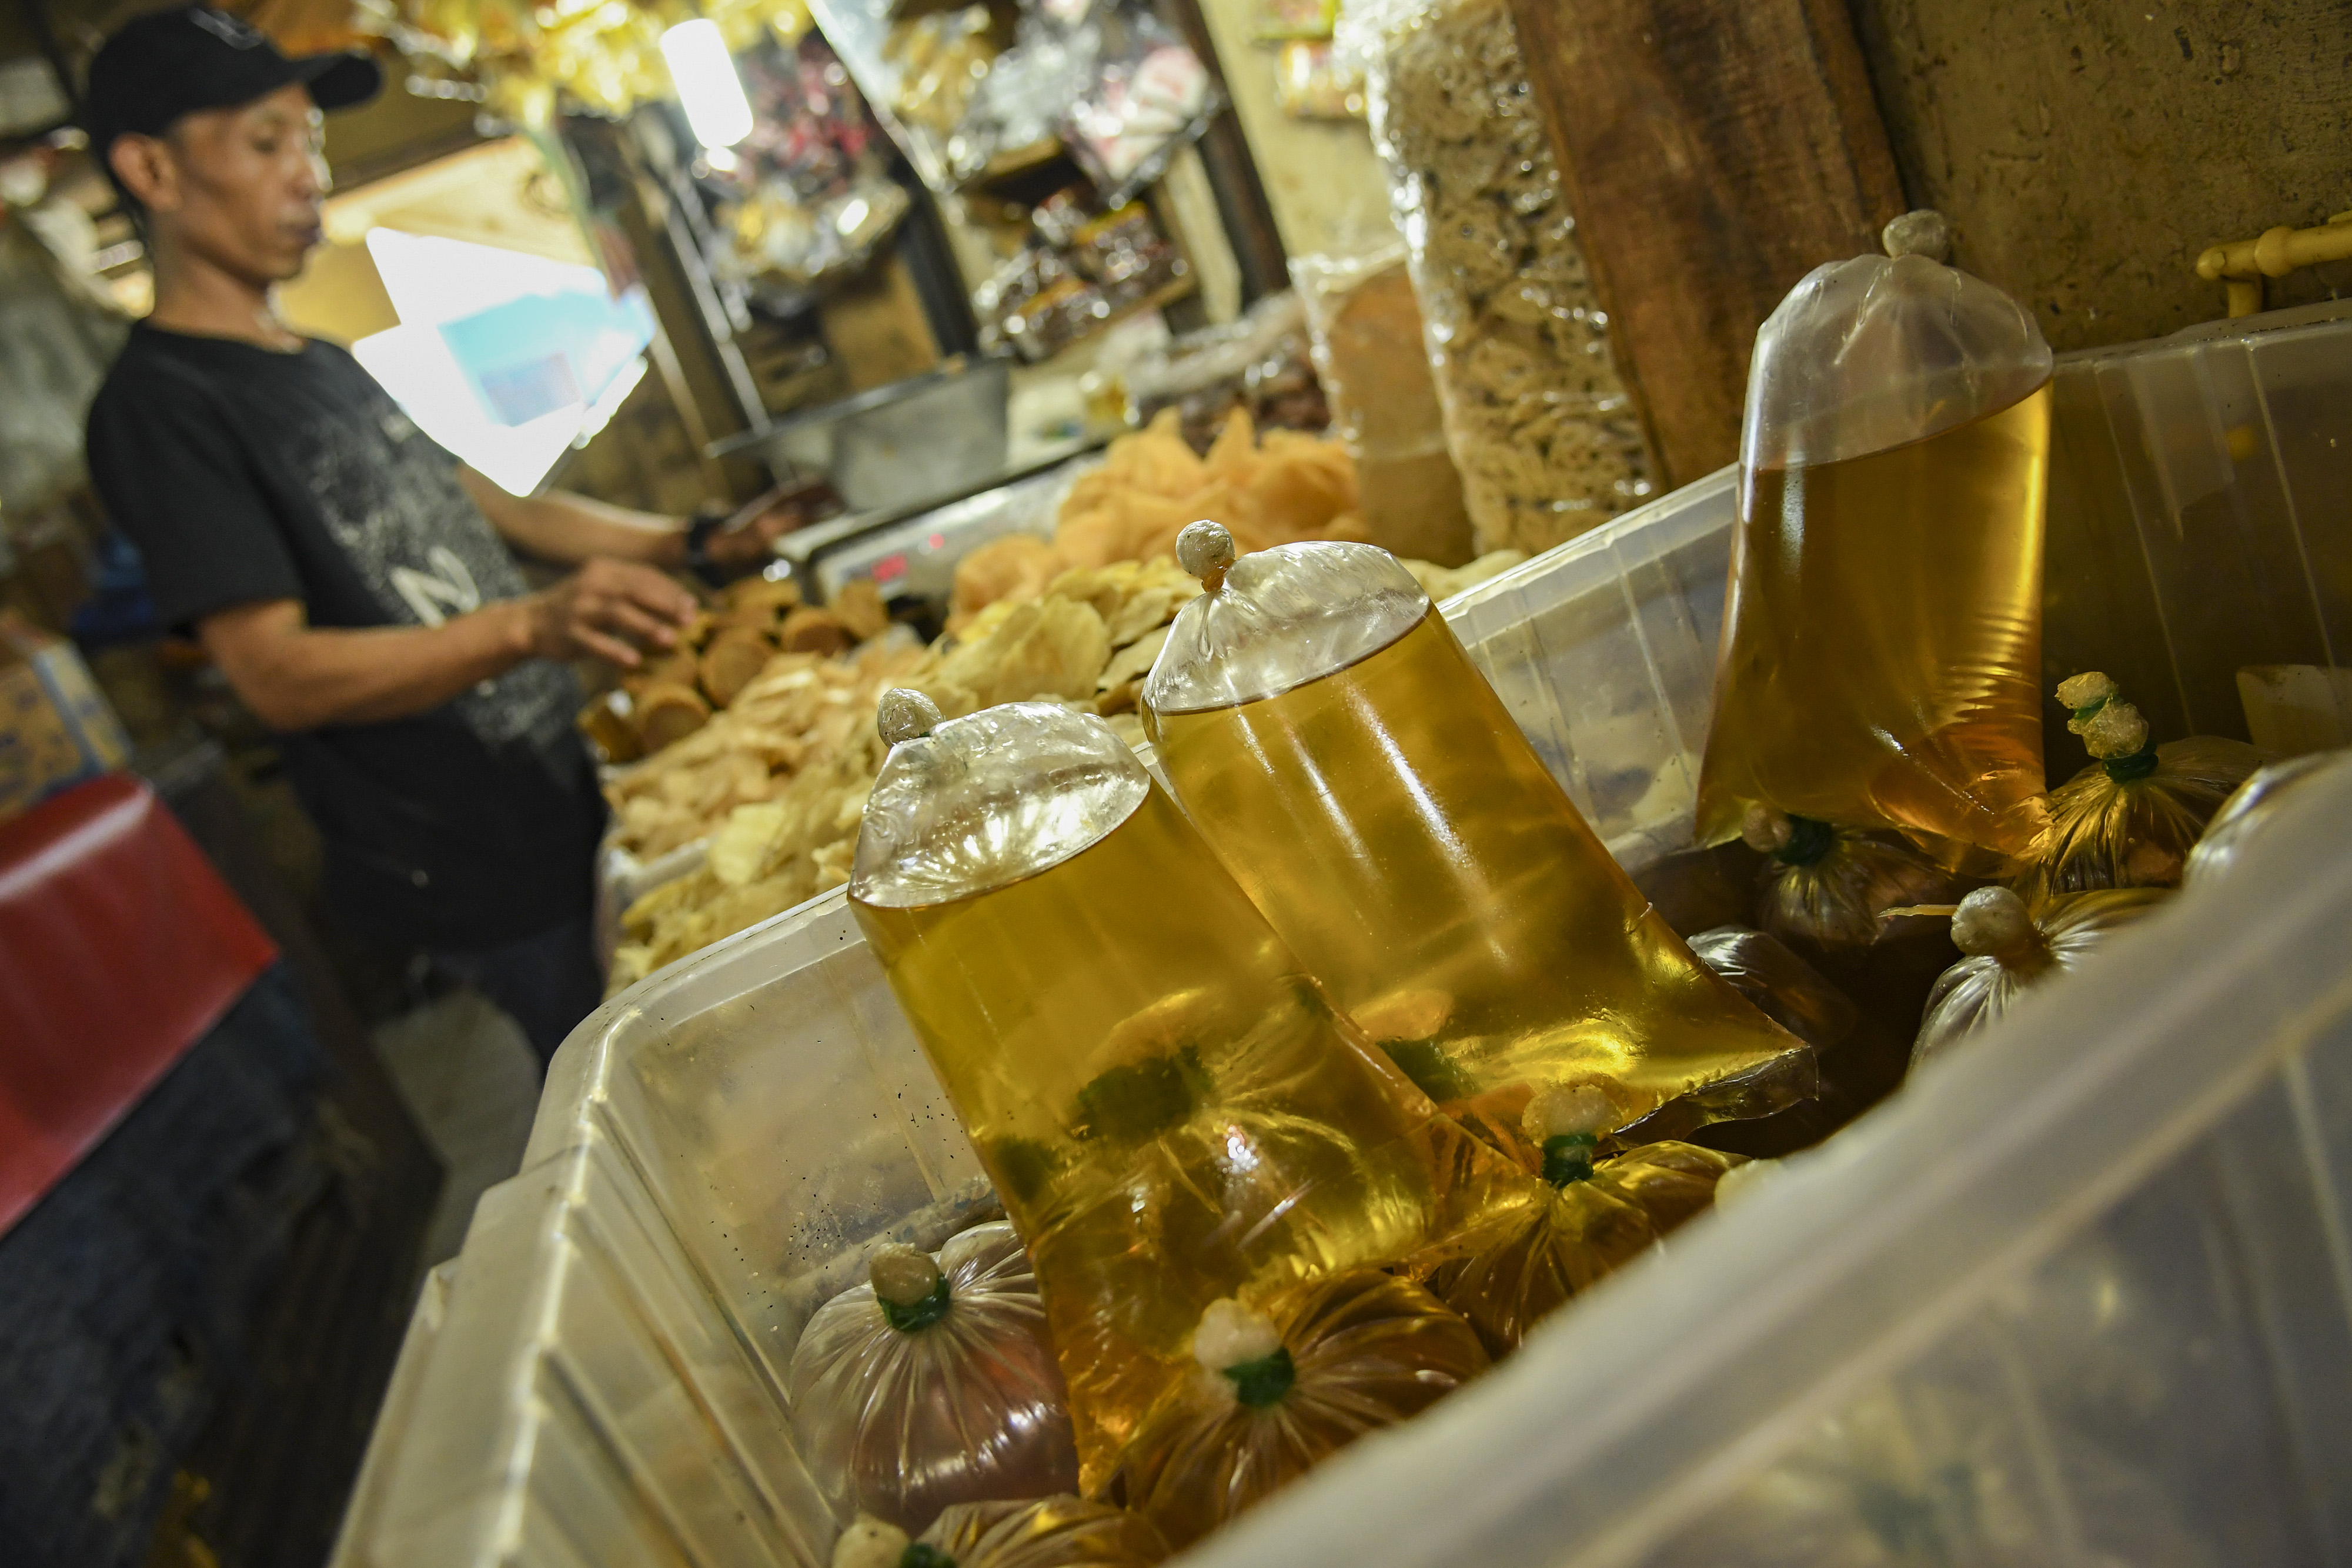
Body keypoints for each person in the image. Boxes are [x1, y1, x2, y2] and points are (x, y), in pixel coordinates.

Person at [81, 7, 793, 1064]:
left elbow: (489, 502)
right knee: (661, 1086)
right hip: (471, 863)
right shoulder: (161, 407)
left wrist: (689, 541)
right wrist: (529, 628)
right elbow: (276, 674)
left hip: (565, 796)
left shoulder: (315, 360)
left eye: (309, 143)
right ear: (152, 169)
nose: (307, 173)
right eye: (267, 143)